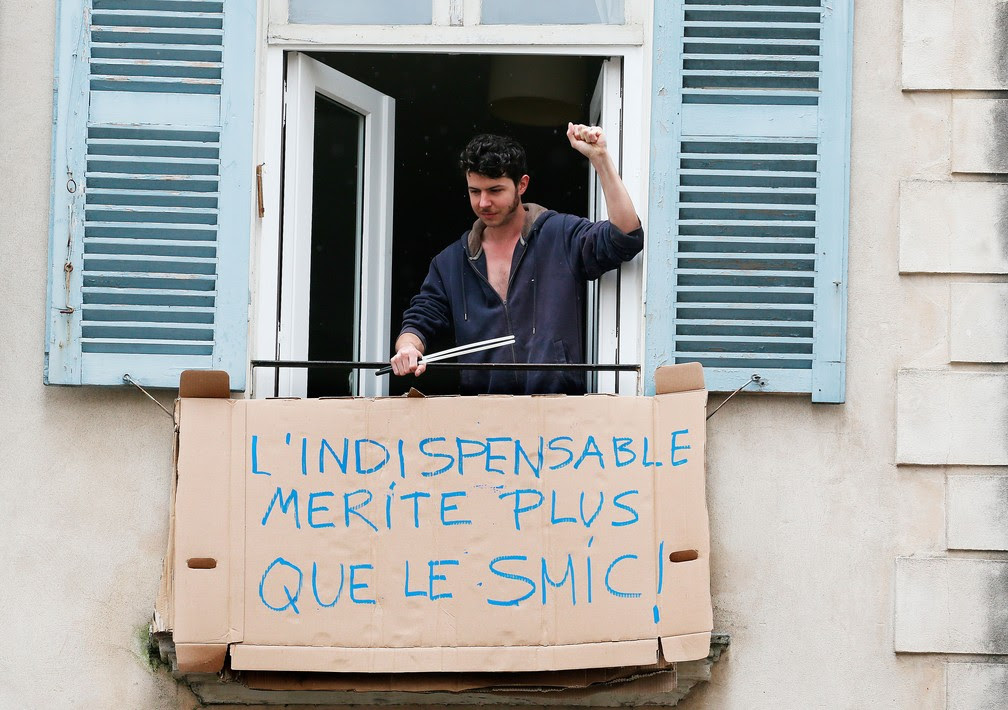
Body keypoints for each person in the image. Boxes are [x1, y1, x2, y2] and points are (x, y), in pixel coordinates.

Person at [390, 124, 643, 395]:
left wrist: (601, 159)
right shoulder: (450, 262)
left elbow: (625, 238)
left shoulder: (560, 234)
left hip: (559, 416)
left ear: (522, 184)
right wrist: (408, 347)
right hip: (484, 423)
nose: (483, 202)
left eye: (495, 190)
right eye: (475, 191)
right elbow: (420, 319)